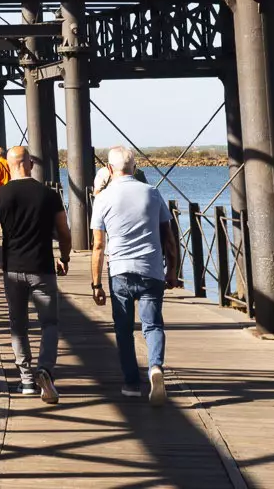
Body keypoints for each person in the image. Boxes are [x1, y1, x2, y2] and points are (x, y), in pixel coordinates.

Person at [89, 147, 182, 404]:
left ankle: (131, 383)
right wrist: (172, 269)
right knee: (153, 326)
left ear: (109, 169)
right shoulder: (152, 193)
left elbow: (98, 245)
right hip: (151, 269)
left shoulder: (103, 199)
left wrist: (96, 283)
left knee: (123, 329)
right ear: (135, 166)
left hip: (119, 271)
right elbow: (169, 238)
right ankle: (155, 367)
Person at [0, 145, 69, 403]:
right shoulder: (49, 195)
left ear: (7, 166)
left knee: (18, 326)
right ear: (31, 163)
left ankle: (27, 381)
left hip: (13, 270)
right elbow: (64, 232)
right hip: (42, 268)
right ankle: (45, 369)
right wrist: (64, 258)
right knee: (50, 323)